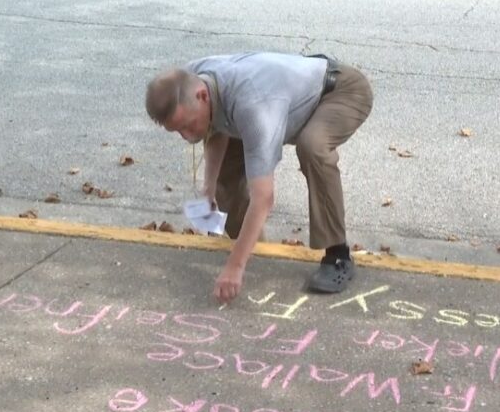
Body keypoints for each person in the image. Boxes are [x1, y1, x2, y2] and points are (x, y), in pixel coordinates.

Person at [144, 51, 373, 303]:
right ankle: (257, 248)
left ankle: (338, 256)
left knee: (312, 146)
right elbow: (216, 126)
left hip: (339, 91)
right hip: (279, 96)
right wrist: (208, 188)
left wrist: (234, 267)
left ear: (202, 96)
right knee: (225, 173)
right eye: (178, 130)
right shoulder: (192, 80)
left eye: (187, 125)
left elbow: (263, 197)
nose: (187, 136)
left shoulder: (254, 106)